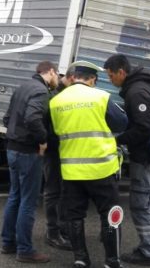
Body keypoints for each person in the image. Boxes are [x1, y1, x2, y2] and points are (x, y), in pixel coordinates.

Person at [49, 60, 128, 268]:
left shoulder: (56, 101)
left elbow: (55, 132)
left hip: (72, 170)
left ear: (73, 77)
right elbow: (122, 123)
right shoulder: (101, 97)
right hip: (102, 168)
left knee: (74, 216)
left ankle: (81, 259)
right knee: (110, 215)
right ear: (92, 79)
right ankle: (112, 261)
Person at [103, 54, 150, 267]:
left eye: (111, 75)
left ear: (121, 72)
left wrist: (118, 139)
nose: (110, 79)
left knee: (141, 203)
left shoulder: (136, 92)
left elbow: (144, 127)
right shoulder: (141, 86)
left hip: (148, 156)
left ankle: (148, 252)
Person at [1, 60, 59, 263]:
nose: (57, 80)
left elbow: (7, 119)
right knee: (28, 201)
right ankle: (25, 250)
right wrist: (43, 140)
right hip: (28, 152)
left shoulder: (22, 87)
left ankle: (8, 242)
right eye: (57, 75)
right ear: (51, 72)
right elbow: (33, 118)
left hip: (12, 149)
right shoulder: (41, 91)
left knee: (15, 196)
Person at [42, 70, 74, 251]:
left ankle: (62, 229)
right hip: (54, 152)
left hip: (64, 151)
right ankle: (53, 233)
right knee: (54, 192)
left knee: (63, 192)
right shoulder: (54, 96)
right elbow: (46, 125)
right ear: (70, 78)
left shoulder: (61, 94)